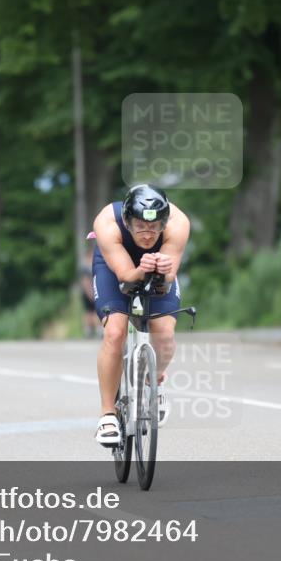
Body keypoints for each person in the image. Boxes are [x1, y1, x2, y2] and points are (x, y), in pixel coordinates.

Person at [91, 184, 190, 446]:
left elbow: (165, 281)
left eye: (155, 227)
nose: (148, 234)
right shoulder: (107, 222)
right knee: (115, 332)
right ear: (127, 220)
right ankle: (107, 415)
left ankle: (154, 382)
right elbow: (125, 277)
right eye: (140, 226)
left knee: (165, 333)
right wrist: (139, 270)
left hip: (156, 267)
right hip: (115, 266)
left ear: (164, 222)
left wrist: (162, 271)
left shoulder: (178, 223)